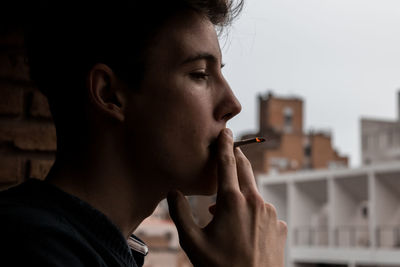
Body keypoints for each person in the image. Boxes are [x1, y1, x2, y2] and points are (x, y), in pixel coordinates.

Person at [0, 1, 287, 266]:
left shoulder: (92, 246)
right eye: (200, 74)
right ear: (109, 94)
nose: (233, 105)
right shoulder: (36, 252)